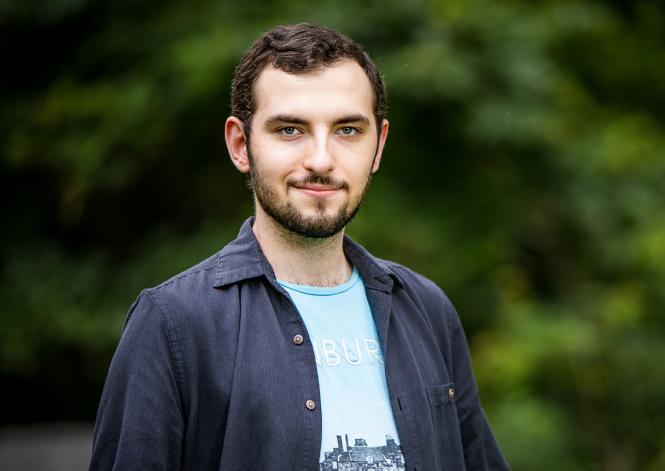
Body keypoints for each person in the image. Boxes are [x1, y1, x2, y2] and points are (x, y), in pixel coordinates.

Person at [90, 23, 509, 471]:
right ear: (240, 145)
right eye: (290, 130)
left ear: (378, 146)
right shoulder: (173, 324)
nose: (321, 160)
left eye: (348, 130)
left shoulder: (427, 309)